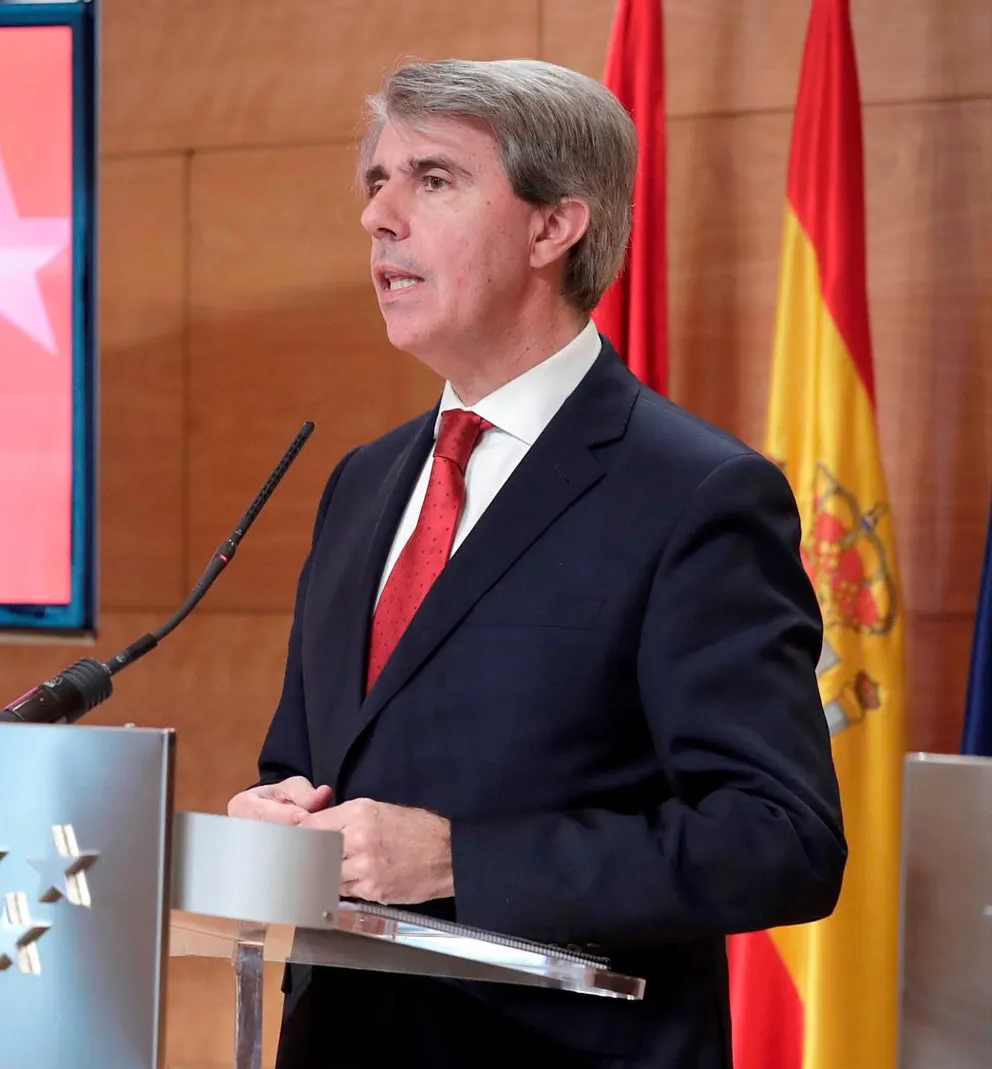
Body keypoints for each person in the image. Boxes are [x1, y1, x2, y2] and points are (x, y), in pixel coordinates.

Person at [226, 57, 846, 1069]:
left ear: (554, 226)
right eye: (375, 182)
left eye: (430, 180)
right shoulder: (361, 481)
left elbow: (778, 842)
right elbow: (315, 767)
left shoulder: (694, 492)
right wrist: (275, 816)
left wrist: (458, 858)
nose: (378, 217)